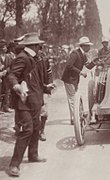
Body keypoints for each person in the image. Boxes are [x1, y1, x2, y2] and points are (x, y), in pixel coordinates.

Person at [7, 32, 55, 177]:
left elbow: (36, 81)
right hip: (24, 103)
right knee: (27, 130)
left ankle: (33, 155)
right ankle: (14, 165)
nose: (40, 48)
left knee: (36, 128)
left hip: (35, 101)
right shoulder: (22, 58)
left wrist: (46, 87)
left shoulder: (35, 59)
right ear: (33, 46)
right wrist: (16, 86)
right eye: (39, 45)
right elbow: (11, 75)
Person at [61, 36, 98, 125]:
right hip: (69, 79)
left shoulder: (83, 55)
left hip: (74, 79)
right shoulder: (75, 53)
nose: (89, 48)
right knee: (72, 98)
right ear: (83, 46)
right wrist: (80, 72)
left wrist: (95, 62)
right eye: (88, 46)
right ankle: (75, 118)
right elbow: (69, 66)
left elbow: (88, 66)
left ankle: (73, 117)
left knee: (74, 98)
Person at [0, 39, 13, 113]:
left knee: (7, 91)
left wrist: (6, 71)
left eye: (5, 47)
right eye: (3, 47)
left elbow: (11, 66)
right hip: (0, 76)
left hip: (6, 76)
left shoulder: (8, 57)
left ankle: (6, 107)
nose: (5, 48)